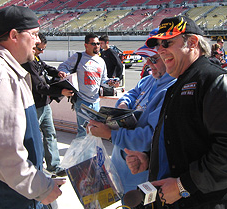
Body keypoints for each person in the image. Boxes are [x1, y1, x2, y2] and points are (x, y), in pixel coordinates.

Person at [126, 15, 227, 209]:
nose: (161, 51)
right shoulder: (179, 83)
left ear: (192, 42)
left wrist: (183, 185)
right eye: (158, 45)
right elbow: (184, 140)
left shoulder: (213, 81)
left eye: (168, 43)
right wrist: (149, 158)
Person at [0, 5, 65, 209]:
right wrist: (41, 188)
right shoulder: (0, 76)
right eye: (33, 34)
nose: (37, 41)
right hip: (6, 198)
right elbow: (2, 152)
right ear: (14, 35)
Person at [87, 32, 176, 201]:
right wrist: (123, 105)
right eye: (146, 58)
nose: (148, 64)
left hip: (141, 174)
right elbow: (131, 94)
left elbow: (151, 137)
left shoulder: (170, 88)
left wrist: (110, 134)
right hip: (121, 167)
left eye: (154, 59)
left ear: (168, 57)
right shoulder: (150, 79)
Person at [22, 32, 72, 177]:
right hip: (34, 106)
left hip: (44, 105)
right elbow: (40, 87)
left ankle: (54, 165)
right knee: (34, 137)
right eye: (39, 49)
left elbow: (45, 67)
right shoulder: (27, 61)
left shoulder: (35, 58)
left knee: (50, 134)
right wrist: (60, 91)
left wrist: (57, 73)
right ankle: (36, 165)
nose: (41, 52)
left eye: (43, 49)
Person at [58, 33, 115, 138]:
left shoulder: (101, 61)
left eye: (98, 43)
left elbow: (103, 80)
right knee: (83, 132)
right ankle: (81, 154)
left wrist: (110, 83)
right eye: (93, 43)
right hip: (82, 100)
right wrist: (64, 73)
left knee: (94, 132)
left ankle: (90, 153)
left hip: (96, 102)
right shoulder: (78, 57)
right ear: (86, 45)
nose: (97, 46)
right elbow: (62, 66)